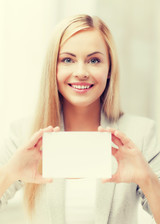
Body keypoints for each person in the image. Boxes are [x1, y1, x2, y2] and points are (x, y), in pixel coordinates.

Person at [0, 14, 160, 224]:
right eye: (68, 59)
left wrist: (147, 179)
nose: (81, 72)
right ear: (53, 68)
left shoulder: (142, 134)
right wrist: (8, 174)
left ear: (109, 68)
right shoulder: (24, 134)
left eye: (94, 60)